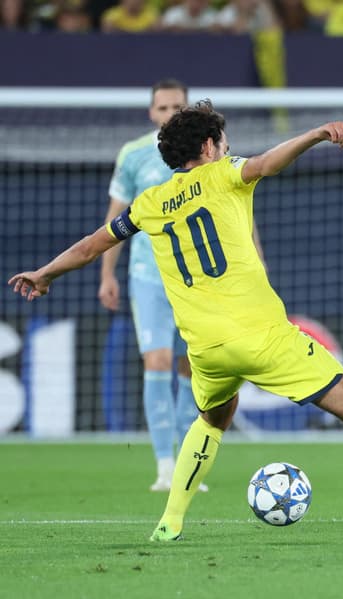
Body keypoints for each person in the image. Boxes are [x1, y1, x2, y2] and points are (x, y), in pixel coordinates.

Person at [9, 101, 343, 542]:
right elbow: (270, 161)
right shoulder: (225, 173)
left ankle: (170, 521)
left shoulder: (148, 204)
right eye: (223, 139)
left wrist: (46, 272)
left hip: (205, 349)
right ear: (209, 147)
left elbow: (91, 244)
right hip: (262, 337)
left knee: (212, 419)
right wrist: (318, 134)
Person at [98, 79, 201, 492]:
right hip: (148, 278)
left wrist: (256, 256)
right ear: (151, 113)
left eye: (178, 107)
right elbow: (114, 221)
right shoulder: (134, 155)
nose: (171, 114)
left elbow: (236, 206)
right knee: (156, 362)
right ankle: (164, 465)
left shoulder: (205, 151)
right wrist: (107, 274)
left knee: (190, 366)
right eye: (163, 108)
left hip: (195, 279)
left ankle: (187, 461)